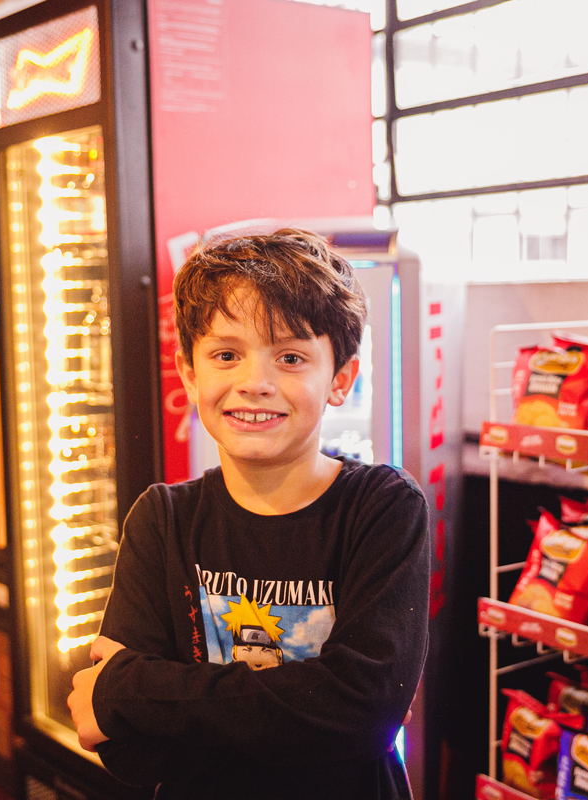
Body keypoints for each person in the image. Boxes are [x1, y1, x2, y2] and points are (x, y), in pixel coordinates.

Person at [66, 228, 430, 799]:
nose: (254, 383)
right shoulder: (162, 521)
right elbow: (128, 751)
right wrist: (307, 708)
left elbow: (365, 711)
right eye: (226, 355)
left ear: (340, 379)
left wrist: (135, 690)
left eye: (290, 357)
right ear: (190, 374)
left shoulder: (382, 509)